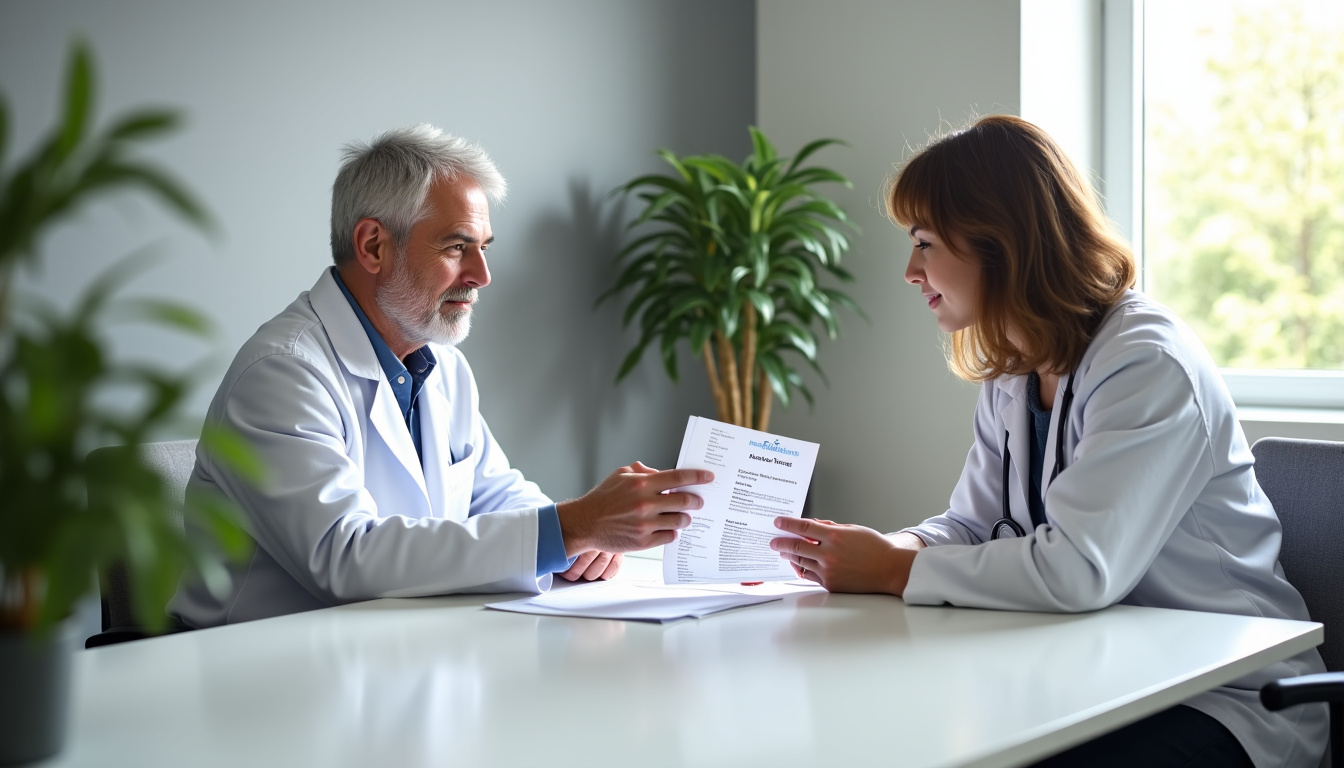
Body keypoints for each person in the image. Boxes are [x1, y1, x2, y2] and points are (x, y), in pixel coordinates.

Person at [769, 115, 1326, 767]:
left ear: (997, 242)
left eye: (924, 243)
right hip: (1102, 678)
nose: (910, 271)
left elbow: (1079, 570)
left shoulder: (1147, 363)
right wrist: (890, 548)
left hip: (1229, 699)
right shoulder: (1017, 366)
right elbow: (973, 523)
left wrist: (892, 571)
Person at [171, 125, 709, 627]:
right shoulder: (282, 375)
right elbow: (346, 557)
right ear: (374, 245)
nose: (482, 275)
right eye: (457, 247)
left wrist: (580, 540)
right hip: (268, 682)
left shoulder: (440, 364)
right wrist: (570, 527)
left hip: (393, 654)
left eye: (483, 248)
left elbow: (494, 496)